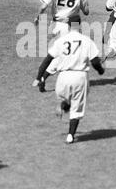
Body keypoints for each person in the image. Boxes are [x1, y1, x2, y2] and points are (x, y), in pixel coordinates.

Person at [34, 16, 104, 144]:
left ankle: (62, 105)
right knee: (76, 106)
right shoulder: (86, 40)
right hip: (80, 76)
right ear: (80, 25)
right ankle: (70, 136)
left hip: (63, 77)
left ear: (68, 26)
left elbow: (47, 59)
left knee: (67, 99)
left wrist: (39, 77)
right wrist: (100, 70)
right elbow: (95, 61)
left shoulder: (62, 40)